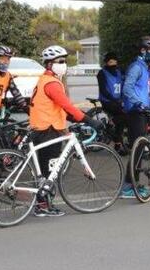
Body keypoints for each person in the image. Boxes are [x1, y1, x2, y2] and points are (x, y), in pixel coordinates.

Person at [29, 45, 101, 217]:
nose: (63, 64)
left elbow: (57, 109)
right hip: (48, 130)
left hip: (43, 127)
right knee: (49, 170)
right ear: (49, 64)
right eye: (59, 61)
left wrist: (69, 122)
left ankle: (43, 203)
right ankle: (43, 206)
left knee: (46, 168)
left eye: (64, 61)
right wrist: (89, 121)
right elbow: (67, 106)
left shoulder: (43, 80)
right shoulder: (53, 83)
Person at [121, 36, 150, 199]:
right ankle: (129, 187)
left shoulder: (144, 68)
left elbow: (143, 94)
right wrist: (138, 104)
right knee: (138, 149)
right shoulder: (136, 67)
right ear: (143, 51)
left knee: (139, 149)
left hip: (141, 111)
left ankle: (131, 184)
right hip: (135, 112)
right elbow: (127, 89)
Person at [96, 52, 127, 152]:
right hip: (107, 101)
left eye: (114, 61)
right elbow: (103, 90)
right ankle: (110, 124)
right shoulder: (102, 73)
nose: (112, 63)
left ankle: (117, 143)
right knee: (123, 115)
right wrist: (115, 100)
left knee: (124, 116)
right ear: (106, 62)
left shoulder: (119, 72)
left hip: (118, 101)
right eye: (110, 61)